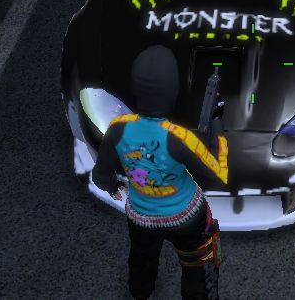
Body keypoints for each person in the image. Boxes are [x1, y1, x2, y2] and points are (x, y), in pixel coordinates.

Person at [92, 45, 228, 300]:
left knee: (142, 257)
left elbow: (100, 176)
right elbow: (218, 178)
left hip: (140, 216)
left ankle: (140, 292)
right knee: (199, 263)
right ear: (172, 92)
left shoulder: (117, 128)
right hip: (187, 218)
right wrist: (217, 123)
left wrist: (113, 186)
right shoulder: (180, 137)